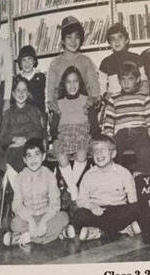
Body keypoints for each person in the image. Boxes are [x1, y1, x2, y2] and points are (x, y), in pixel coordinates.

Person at [3, 138, 70, 247]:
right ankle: (57, 234)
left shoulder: (49, 175)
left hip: (47, 216)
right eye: (29, 156)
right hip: (28, 216)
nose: (33, 159)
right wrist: (30, 221)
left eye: (37, 154)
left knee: (64, 216)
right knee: (15, 223)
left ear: (43, 156)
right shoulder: (20, 178)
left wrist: (43, 221)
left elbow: (55, 204)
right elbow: (16, 205)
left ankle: (26, 237)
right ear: (24, 160)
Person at [71, 135, 140, 240]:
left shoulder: (123, 172)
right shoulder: (89, 175)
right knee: (78, 215)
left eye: (103, 150)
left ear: (113, 153)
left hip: (118, 210)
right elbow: (81, 200)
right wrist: (91, 206)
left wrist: (134, 209)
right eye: (95, 151)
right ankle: (121, 229)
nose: (99, 154)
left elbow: (132, 198)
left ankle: (97, 232)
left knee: (136, 208)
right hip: (97, 211)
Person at [102, 61, 150, 174]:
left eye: (130, 79)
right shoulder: (114, 98)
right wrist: (109, 139)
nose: (126, 83)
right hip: (121, 133)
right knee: (113, 152)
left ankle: (142, 177)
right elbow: (108, 122)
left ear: (137, 80)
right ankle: (117, 178)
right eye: (123, 80)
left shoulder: (144, 98)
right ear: (119, 81)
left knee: (144, 151)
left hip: (140, 132)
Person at [53, 66, 92, 201]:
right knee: (62, 157)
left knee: (81, 155)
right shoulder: (59, 103)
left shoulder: (85, 100)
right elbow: (54, 126)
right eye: (68, 82)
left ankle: (70, 189)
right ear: (64, 84)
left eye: (75, 81)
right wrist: (54, 139)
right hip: (65, 135)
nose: (72, 85)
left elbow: (92, 123)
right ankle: (74, 189)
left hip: (81, 135)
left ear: (80, 83)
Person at [46, 16, 100, 112]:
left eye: (77, 37)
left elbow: (94, 87)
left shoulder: (86, 61)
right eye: (69, 37)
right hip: (63, 110)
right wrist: (53, 106)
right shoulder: (55, 64)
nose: (73, 41)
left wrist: (92, 100)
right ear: (63, 40)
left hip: (83, 109)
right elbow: (51, 92)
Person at [0, 75, 44, 187]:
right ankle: (22, 194)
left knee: (28, 156)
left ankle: (26, 193)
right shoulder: (8, 114)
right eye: (18, 90)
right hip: (13, 148)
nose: (21, 93)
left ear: (28, 93)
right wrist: (14, 139)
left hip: (30, 146)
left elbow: (38, 132)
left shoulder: (33, 111)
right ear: (13, 94)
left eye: (24, 90)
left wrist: (25, 140)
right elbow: (2, 137)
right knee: (16, 159)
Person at [99, 23, 149, 98]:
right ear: (109, 43)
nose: (117, 41)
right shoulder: (105, 62)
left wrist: (141, 95)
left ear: (127, 40)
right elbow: (101, 85)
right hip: (115, 101)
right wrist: (106, 95)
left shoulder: (136, 58)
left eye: (120, 37)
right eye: (113, 38)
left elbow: (143, 79)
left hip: (134, 98)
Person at [16, 45, 46, 116]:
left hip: (38, 114)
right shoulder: (17, 79)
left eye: (29, 59)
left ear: (34, 61)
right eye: (23, 60)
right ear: (20, 63)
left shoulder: (41, 77)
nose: (27, 63)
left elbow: (45, 99)